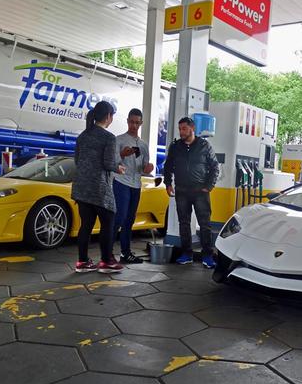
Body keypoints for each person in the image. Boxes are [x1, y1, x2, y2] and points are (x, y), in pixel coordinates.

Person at [72, 101, 125, 273]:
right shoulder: (108, 137)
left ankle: (82, 262)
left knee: (86, 225)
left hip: (81, 186)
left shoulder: (82, 136)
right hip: (99, 187)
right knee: (108, 222)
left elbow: (77, 161)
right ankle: (107, 261)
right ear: (109, 116)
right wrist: (119, 167)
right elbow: (109, 163)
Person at [164, 117, 220, 268]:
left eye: (184, 128)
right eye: (180, 129)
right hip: (181, 191)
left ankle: (207, 255)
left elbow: (215, 167)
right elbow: (168, 167)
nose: (181, 132)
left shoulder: (204, 146)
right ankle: (186, 254)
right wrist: (168, 184)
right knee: (184, 223)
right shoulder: (175, 147)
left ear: (192, 128)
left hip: (200, 191)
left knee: (205, 224)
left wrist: (209, 186)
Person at [112, 108, 155, 264]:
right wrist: (123, 154)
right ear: (127, 121)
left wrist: (148, 168)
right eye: (132, 122)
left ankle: (126, 253)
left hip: (136, 184)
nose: (134, 125)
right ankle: (107, 253)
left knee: (129, 219)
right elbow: (111, 162)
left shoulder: (143, 145)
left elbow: (144, 167)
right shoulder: (119, 140)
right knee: (119, 217)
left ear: (141, 123)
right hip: (121, 182)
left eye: (137, 123)